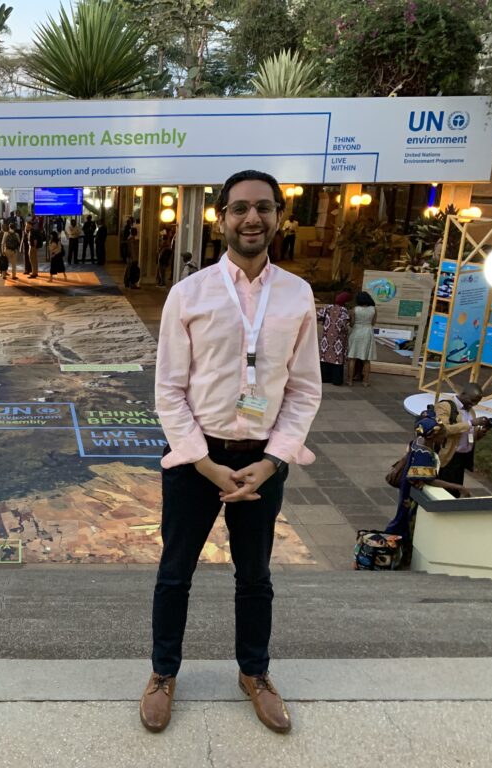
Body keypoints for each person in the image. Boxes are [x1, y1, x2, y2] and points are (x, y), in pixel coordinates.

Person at [141, 169, 322, 736]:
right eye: (241, 208)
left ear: (277, 217)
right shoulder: (188, 294)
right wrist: (204, 461)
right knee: (175, 573)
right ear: (221, 217)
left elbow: (304, 388)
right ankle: (163, 674)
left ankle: (255, 674)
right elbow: (169, 388)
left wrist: (273, 461)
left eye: (264, 208)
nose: (253, 218)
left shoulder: (296, 294)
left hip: (261, 462)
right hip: (198, 462)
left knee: (256, 576)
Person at [385, 406, 470, 560]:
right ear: (432, 437)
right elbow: (429, 480)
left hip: (406, 488)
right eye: (441, 435)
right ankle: (395, 551)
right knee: (405, 521)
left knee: (402, 519)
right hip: (410, 495)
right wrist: (459, 487)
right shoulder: (424, 453)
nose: (443, 438)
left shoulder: (419, 440)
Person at [434, 382, 492, 498]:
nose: (473, 404)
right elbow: (443, 430)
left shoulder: (470, 410)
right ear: (463, 394)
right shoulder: (445, 406)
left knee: (454, 493)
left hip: (462, 459)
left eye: (477, 402)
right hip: (448, 456)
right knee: (442, 492)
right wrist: (471, 423)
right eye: (472, 400)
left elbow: (472, 436)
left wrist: (483, 431)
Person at [316, 292, 352, 386]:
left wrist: (324, 322)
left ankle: (325, 377)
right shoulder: (344, 310)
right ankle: (336, 380)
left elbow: (318, 315)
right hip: (339, 338)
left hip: (327, 336)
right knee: (337, 357)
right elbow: (344, 325)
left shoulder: (328, 307)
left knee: (325, 355)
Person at [347, 291, 377, 386]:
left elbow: (351, 323)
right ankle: (365, 381)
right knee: (366, 359)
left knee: (352, 358)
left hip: (356, 332)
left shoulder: (354, 310)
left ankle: (350, 380)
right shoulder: (374, 309)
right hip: (368, 333)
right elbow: (373, 323)